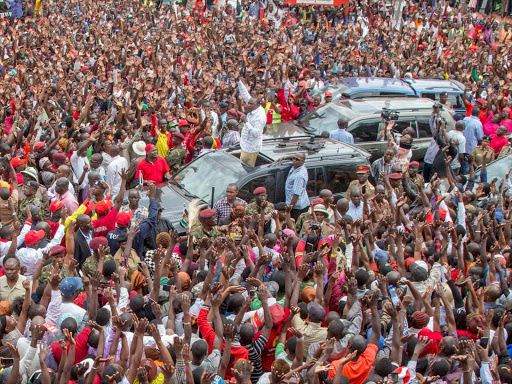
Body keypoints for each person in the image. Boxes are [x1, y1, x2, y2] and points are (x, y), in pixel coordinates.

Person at [237, 78, 266, 167]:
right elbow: (245, 94)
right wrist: (238, 81)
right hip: (245, 145)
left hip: (251, 149)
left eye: (251, 104)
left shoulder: (260, 116)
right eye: (248, 103)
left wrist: (246, 122)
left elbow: (256, 133)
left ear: (257, 105)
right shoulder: (253, 103)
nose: (248, 105)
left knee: (245, 170)